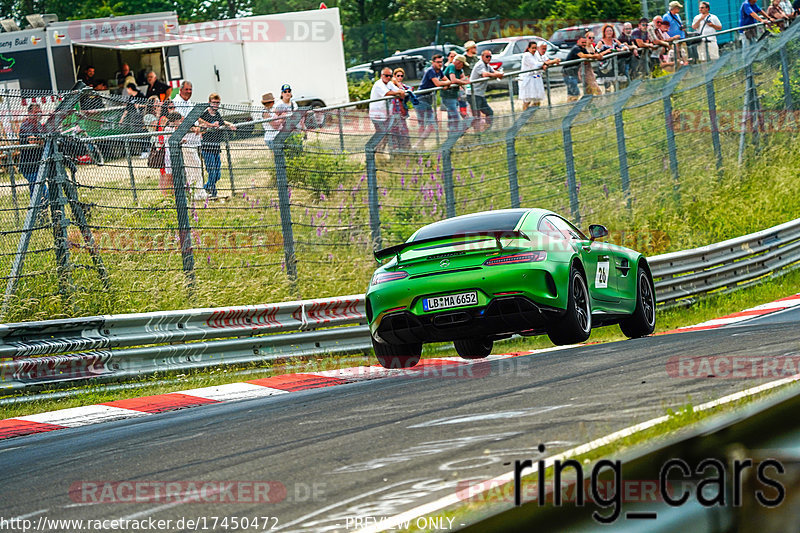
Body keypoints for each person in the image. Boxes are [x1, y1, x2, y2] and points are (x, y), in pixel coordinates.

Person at [198, 93, 236, 198]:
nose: (216, 105)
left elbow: (222, 122)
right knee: (212, 172)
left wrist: (229, 125)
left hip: (216, 147)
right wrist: (211, 125)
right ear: (209, 102)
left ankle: (206, 187)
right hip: (207, 147)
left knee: (217, 174)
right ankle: (213, 192)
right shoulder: (205, 114)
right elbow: (199, 121)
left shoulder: (217, 114)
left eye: (217, 103)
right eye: (214, 103)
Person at [415, 54, 449, 146]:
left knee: (432, 124)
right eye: (438, 62)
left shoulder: (440, 71)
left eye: (441, 62)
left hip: (428, 100)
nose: (440, 64)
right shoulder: (430, 71)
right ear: (432, 62)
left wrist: (446, 83)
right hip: (421, 98)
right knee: (424, 124)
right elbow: (438, 83)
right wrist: (446, 83)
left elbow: (446, 81)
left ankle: (419, 143)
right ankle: (419, 144)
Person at [468, 49, 503, 131]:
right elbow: (485, 74)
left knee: (489, 113)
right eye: (487, 56)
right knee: (476, 116)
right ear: (482, 57)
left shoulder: (487, 65)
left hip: (479, 94)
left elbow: (494, 72)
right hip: (473, 94)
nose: (489, 58)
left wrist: (499, 74)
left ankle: (487, 131)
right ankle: (466, 131)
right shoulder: (480, 64)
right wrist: (497, 75)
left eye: (490, 56)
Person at [18, 103, 46, 198]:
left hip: (38, 163)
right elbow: (32, 139)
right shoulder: (26, 125)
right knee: (42, 192)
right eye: (36, 112)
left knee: (35, 191)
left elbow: (43, 139)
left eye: (40, 112)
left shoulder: (38, 125)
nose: (39, 114)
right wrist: (44, 140)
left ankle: (37, 211)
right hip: (29, 165)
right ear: (30, 113)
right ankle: (39, 209)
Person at [369, 68, 405, 139]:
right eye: (386, 75)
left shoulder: (389, 83)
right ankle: (369, 148)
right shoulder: (378, 84)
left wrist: (400, 90)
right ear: (381, 75)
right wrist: (399, 92)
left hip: (387, 114)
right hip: (377, 114)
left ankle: (380, 149)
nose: (388, 77)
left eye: (390, 76)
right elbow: (387, 93)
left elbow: (400, 91)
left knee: (386, 133)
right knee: (381, 133)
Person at [442, 54, 469, 131]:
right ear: (458, 62)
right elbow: (453, 80)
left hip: (454, 94)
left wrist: (460, 81)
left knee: (451, 116)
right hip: (447, 95)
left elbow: (464, 77)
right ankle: (459, 131)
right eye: (462, 64)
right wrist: (463, 82)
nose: (462, 66)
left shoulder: (459, 69)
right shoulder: (452, 66)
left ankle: (451, 133)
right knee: (455, 116)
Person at [387, 68, 412, 150]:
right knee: (393, 132)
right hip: (392, 113)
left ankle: (406, 149)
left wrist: (398, 84)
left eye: (401, 76)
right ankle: (394, 151)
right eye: (398, 76)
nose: (400, 77)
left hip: (401, 112)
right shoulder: (390, 85)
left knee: (404, 132)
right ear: (394, 76)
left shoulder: (402, 85)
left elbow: (407, 90)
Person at [462, 41, 479, 118]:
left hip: (476, 81)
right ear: (469, 49)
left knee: (476, 98)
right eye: (474, 47)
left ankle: (476, 116)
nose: (476, 49)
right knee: (469, 99)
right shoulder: (464, 58)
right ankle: (471, 116)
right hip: (468, 81)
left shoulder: (476, 58)